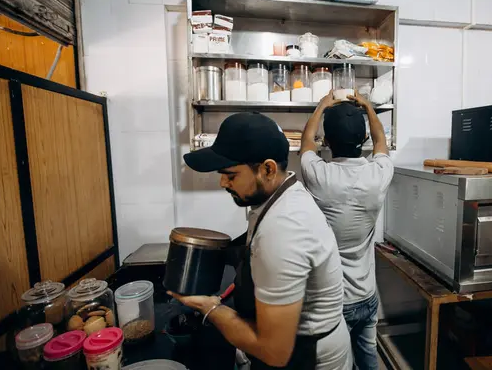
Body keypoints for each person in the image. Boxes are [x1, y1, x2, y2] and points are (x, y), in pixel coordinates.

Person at [169, 112, 352, 370]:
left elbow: (274, 351)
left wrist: (210, 308)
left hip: (308, 357)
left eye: (230, 175)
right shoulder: (279, 194)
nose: (223, 182)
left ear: (267, 169)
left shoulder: (283, 230)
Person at [300, 91, 394, 370]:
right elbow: (381, 142)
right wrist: (368, 106)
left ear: (327, 142)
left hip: (332, 300)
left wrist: (321, 105)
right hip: (367, 295)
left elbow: (306, 143)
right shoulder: (379, 174)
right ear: (363, 140)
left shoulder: (320, 176)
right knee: (368, 359)